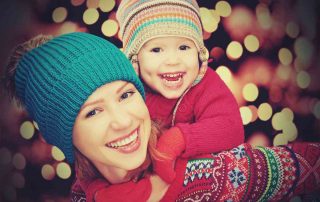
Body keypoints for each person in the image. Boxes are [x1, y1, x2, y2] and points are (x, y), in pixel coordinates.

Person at [4, 32, 320, 202]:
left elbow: (309, 164)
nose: (123, 121)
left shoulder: (211, 173)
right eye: (93, 111)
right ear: (57, 135)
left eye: (126, 94)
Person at [116, 0, 245, 182]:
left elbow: (231, 129)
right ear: (134, 59)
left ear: (199, 52)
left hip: (200, 180)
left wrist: (178, 139)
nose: (173, 60)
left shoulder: (206, 84)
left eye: (184, 47)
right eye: (156, 49)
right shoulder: (125, 93)